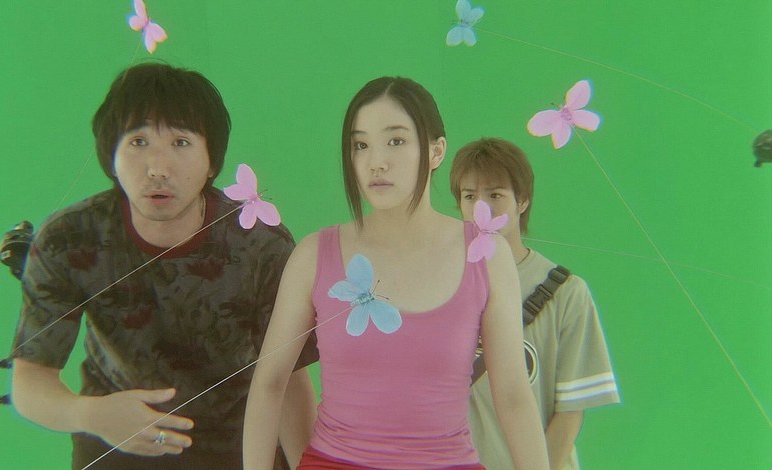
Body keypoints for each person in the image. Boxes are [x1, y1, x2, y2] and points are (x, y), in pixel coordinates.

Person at [10, 63, 318, 470]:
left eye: (181, 142)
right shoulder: (69, 238)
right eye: (138, 142)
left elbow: (289, 379)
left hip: (240, 450)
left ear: (211, 162)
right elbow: (30, 378)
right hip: (115, 448)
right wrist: (92, 414)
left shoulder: (260, 243)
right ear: (111, 157)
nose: (158, 168)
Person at [243, 77, 549, 469]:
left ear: (437, 151)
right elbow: (270, 382)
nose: (376, 162)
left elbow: (513, 397)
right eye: (361, 145)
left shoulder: (486, 255)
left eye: (396, 141)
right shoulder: (314, 255)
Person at [449, 137, 620, 470]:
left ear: (522, 200)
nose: (481, 208)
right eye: (469, 196)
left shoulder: (566, 292)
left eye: (495, 195)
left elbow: (569, 413)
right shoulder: (438, 284)